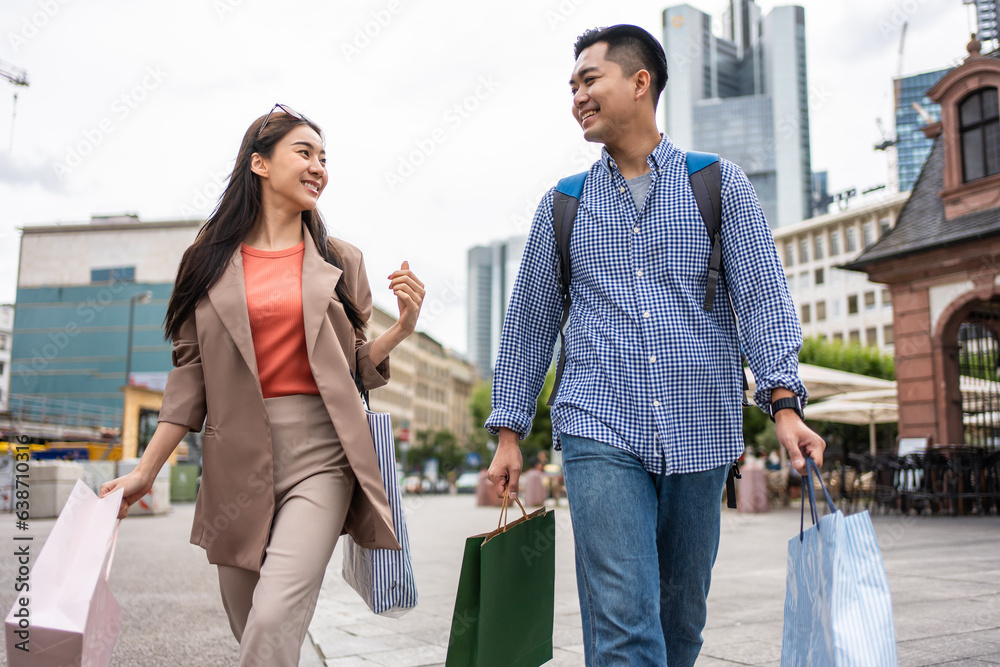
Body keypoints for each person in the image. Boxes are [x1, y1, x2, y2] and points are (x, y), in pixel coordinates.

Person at [485, 25, 825, 666]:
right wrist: (509, 431)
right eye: (573, 86)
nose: (578, 97)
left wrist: (785, 406)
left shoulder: (718, 186)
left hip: (702, 430)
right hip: (598, 425)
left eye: (590, 80)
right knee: (623, 623)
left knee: (680, 622)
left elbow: (763, 302)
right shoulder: (564, 203)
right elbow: (530, 325)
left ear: (641, 83)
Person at [99, 104, 425, 667]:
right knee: (251, 624)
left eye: (325, 158)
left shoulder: (340, 260)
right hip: (236, 461)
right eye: (305, 153)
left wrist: (400, 330)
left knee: (274, 619)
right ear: (259, 164)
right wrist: (145, 473)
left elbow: (352, 367)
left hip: (323, 455)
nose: (319, 167)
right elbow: (189, 380)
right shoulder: (203, 262)